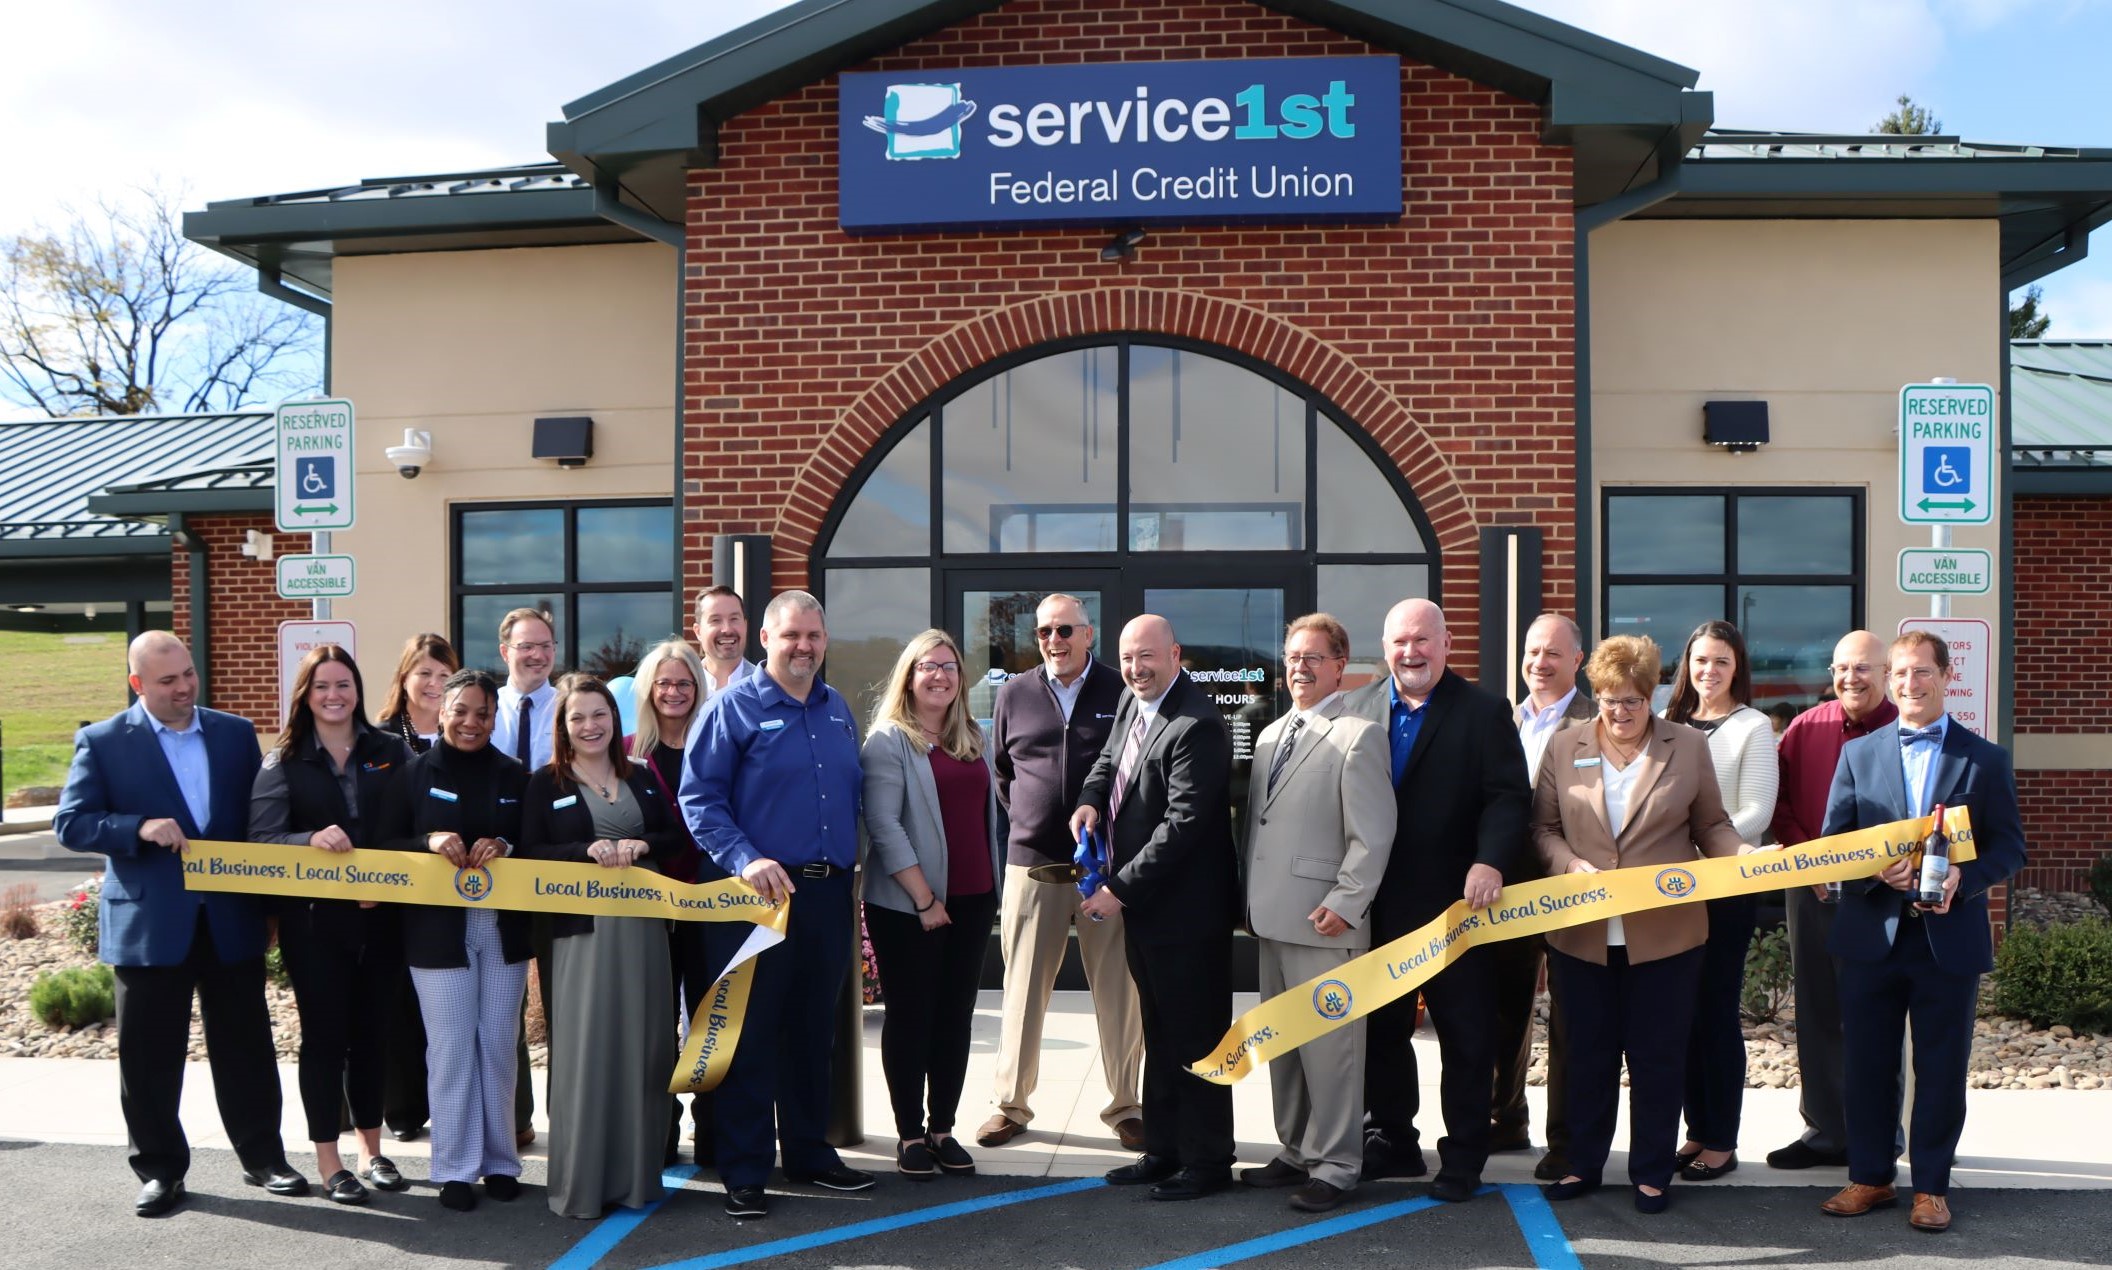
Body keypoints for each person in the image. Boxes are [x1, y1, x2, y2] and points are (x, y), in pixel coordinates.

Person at [54, 631, 307, 1217]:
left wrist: (269, 906)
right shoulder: (102, 741)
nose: (184, 688)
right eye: (167, 681)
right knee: (148, 1058)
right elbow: (72, 822)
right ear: (138, 684)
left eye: (188, 675)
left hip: (229, 918)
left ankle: (263, 1158)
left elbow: (260, 825)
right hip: (149, 925)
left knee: (245, 1046)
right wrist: (136, 827)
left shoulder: (234, 734)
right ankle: (161, 1170)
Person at [1533, 635, 1750, 1214]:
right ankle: (1583, 1165)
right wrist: (1567, 863)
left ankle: (1652, 1172)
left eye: (1633, 700)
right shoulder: (1563, 747)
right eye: (1609, 700)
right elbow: (1544, 830)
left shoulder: (1688, 746)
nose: (1621, 713)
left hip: (1668, 935)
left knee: (1658, 1058)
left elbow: (1712, 826)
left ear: (1652, 693)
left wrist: (1743, 857)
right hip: (1581, 934)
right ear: (1595, 695)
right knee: (1588, 1056)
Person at [1818, 631, 2027, 1234]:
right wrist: (1870, 872)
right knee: (1867, 1064)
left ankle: (1931, 1186)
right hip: (1870, 937)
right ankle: (1870, 1177)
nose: (1911, 684)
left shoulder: (1985, 759)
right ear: (1890, 678)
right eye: (1901, 674)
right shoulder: (1860, 754)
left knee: (1941, 1067)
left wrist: (1967, 876)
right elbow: (1837, 846)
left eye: (1922, 672)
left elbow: (2011, 847)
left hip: (1948, 937)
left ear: (1945, 674)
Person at [681, 590, 872, 1219]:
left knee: (813, 1030)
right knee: (751, 1035)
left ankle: (811, 1155)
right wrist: (745, 859)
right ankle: (744, 1168)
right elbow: (700, 801)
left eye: (814, 636)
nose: (805, 647)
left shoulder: (836, 707)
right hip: (755, 901)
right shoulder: (730, 710)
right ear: (766, 638)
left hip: (824, 896)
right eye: (792, 636)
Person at [1345, 599, 1529, 1205]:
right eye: (1400, 642)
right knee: (1382, 1031)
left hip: (1458, 909)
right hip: (1375, 906)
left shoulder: (1482, 711)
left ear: (1446, 644)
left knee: (1465, 1036)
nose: (1410, 652)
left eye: (1423, 640)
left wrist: (1491, 858)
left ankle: (1465, 1155)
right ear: (1385, 646)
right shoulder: (1359, 707)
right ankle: (1392, 1138)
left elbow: (1507, 797)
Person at [1069, 615, 1238, 1201]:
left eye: (1148, 657)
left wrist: (1118, 889)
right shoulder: (1133, 702)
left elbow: (1183, 825)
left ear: (1176, 653)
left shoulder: (1197, 724)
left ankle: (1210, 1160)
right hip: (1149, 912)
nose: (1137, 668)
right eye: (1129, 658)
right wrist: (1091, 801)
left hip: (1187, 913)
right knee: (1160, 1032)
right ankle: (1164, 1150)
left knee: (1197, 1038)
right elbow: (1109, 763)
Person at [1237, 614, 1394, 1214]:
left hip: (1326, 923)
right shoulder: (1273, 733)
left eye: (1313, 657)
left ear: (1338, 665)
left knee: (1331, 1053)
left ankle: (1336, 1164)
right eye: (1293, 656)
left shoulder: (1359, 734)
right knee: (1285, 1046)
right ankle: (1296, 1150)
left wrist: (1347, 902)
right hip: (1272, 919)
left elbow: (1373, 834)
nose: (1299, 667)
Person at [249, 644, 415, 1204]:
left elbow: (414, 823)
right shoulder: (284, 759)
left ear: (357, 691)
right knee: (325, 1038)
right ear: (306, 694)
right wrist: (308, 839)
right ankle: (328, 1161)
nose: (334, 695)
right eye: (322, 686)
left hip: (382, 920)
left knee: (373, 1036)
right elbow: (262, 842)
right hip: (315, 925)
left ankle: (372, 1150)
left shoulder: (390, 750)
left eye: (343, 684)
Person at [979, 593, 1143, 1153]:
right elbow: (1002, 773)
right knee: (1022, 989)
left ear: (1089, 634)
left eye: (1066, 630)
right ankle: (1010, 1105)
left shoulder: (1119, 691)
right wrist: (1032, 819)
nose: (1055, 640)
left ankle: (1126, 1105)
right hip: (1033, 865)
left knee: (1119, 990)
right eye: (1046, 631)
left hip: (1103, 868)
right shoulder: (1014, 693)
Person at [520, 676, 680, 1218]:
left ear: (615, 720)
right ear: (562, 728)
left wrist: (641, 843)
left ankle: (636, 1180)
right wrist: (583, 849)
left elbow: (673, 836)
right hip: (581, 939)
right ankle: (582, 1184)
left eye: (599, 715)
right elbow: (531, 849)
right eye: (577, 718)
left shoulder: (643, 776)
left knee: (642, 1049)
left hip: (642, 936)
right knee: (588, 1052)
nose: (590, 726)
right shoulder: (545, 784)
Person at [375, 669, 531, 1212]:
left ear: (494, 717)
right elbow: (385, 844)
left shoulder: (515, 776)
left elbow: (534, 840)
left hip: (501, 930)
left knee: (497, 1046)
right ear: (442, 711)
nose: (471, 722)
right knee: (450, 1048)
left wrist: (508, 844)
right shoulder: (412, 775)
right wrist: (427, 839)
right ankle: (455, 1168)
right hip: (437, 935)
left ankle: (500, 1162)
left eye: (483, 713)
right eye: (461, 710)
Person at [860, 630, 1004, 1180]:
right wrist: (924, 898)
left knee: (955, 1018)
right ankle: (909, 1134)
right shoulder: (889, 741)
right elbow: (883, 825)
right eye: (928, 667)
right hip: (908, 906)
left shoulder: (972, 737)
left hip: (971, 900)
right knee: (912, 1016)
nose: (939, 676)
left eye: (949, 667)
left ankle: (943, 1128)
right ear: (909, 675)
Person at [1766, 631, 1897, 1171]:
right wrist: (1808, 863)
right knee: (1818, 1010)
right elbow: (1781, 803)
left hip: (1886, 893)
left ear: (1886, 671)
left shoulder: (1903, 728)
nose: (1850, 678)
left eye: (1863, 668)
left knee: (1879, 1014)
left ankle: (1880, 1136)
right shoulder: (1805, 728)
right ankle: (1824, 1132)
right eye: (1842, 668)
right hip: (1813, 889)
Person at [1663, 621, 1779, 1183]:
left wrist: (1692, 846)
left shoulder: (1753, 727)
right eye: (1701, 660)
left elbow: (1757, 812)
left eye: (1722, 662)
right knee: (1677, 1012)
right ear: (1686, 663)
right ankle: (1695, 1131)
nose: (1709, 671)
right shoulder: (1665, 722)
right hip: (1667, 892)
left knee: (1714, 1012)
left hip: (1723, 888)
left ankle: (1722, 1140)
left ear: (1738, 670)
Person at [1497, 613, 1594, 1182]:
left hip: (1570, 887)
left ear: (1577, 660)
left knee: (1571, 1021)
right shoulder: (1504, 719)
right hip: (1510, 887)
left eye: (1553, 653)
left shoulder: (1596, 720)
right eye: (1533, 651)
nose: (1540, 662)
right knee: (1504, 1010)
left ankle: (1566, 1142)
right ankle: (1505, 1118)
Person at [628, 638, 716, 1163]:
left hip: (709, 904)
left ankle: (711, 1130)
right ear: (648, 690)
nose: (674, 692)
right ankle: (660, 1130)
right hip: (650, 910)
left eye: (684, 682)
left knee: (709, 1021)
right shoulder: (627, 751)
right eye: (664, 683)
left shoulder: (717, 742)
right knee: (657, 1024)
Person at [374, 632, 460, 1143]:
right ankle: (402, 1109)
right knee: (399, 1004)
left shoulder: (467, 736)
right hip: (392, 891)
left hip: (451, 896)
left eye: (444, 674)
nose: (433, 683)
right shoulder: (381, 740)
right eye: (424, 672)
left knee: (446, 1010)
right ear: (404, 678)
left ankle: (446, 1105)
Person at [491, 607, 556, 1149]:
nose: (536, 655)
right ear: (504, 651)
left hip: (557, 873)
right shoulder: (483, 711)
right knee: (503, 1004)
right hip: (494, 875)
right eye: (525, 645)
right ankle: (514, 1119)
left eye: (545, 645)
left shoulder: (572, 710)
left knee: (564, 1004)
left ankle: (575, 1118)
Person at [690, 585, 760, 725]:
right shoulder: (682, 690)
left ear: (745, 626)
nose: (727, 629)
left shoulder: (764, 686)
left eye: (734, 619)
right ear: (698, 632)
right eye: (715, 620)